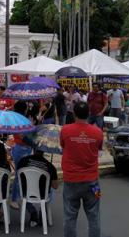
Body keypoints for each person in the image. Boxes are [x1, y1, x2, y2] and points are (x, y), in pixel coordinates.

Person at [60, 101, 103, 237]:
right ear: (89, 114)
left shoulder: (65, 130)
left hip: (71, 180)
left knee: (69, 216)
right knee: (94, 215)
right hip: (93, 182)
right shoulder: (98, 132)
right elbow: (99, 148)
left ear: (73, 114)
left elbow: (63, 145)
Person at [17, 146, 59, 228]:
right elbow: (55, 186)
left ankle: (33, 212)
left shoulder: (23, 161)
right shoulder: (50, 166)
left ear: (33, 149)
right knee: (50, 190)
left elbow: (19, 175)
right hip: (43, 194)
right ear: (44, 151)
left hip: (26, 192)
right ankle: (42, 210)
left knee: (20, 188)